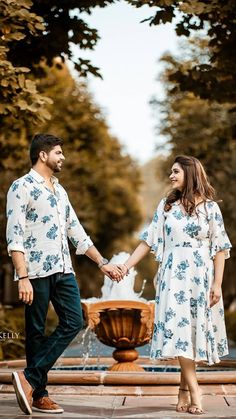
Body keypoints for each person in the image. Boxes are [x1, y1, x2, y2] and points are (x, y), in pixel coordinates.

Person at [6, 133, 122, 415]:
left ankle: (28, 378)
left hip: (64, 269)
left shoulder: (60, 190)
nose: (63, 157)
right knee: (35, 332)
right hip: (35, 270)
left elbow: (76, 232)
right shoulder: (21, 187)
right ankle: (39, 395)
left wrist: (102, 262)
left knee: (74, 320)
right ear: (43, 155)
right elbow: (15, 234)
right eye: (58, 152)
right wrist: (22, 276)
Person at [117, 155, 232, 415]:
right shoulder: (166, 207)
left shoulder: (211, 209)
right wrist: (126, 266)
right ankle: (195, 392)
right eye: (171, 171)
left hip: (200, 279)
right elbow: (148, 241)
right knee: (180, 334)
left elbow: (220, 249)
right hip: (172, 279)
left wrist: (217, 284)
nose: (171, 176)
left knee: (191, 334)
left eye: (176, 171)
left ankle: (182, 390)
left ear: (190, 174)